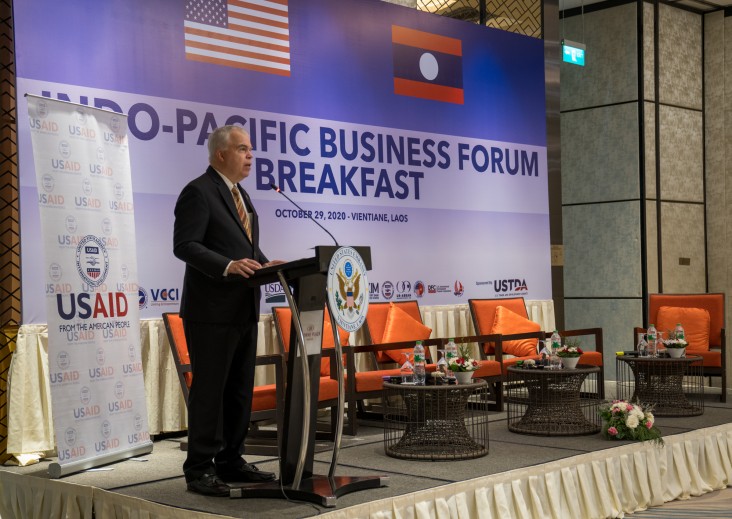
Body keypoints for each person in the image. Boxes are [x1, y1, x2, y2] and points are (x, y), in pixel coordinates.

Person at [173, 125, 282, 497]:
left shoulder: (241, 195)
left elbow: (247, 250)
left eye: (251, 150)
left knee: (238, 391)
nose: (250, 156)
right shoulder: (199, 191)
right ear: (221, 154)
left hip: (243, 307)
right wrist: (227, 265)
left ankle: (231, 459)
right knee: (211, 392)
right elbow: (185, 245)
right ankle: (199, 469)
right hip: (211, 311)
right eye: (243, 149)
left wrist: (270, 267)